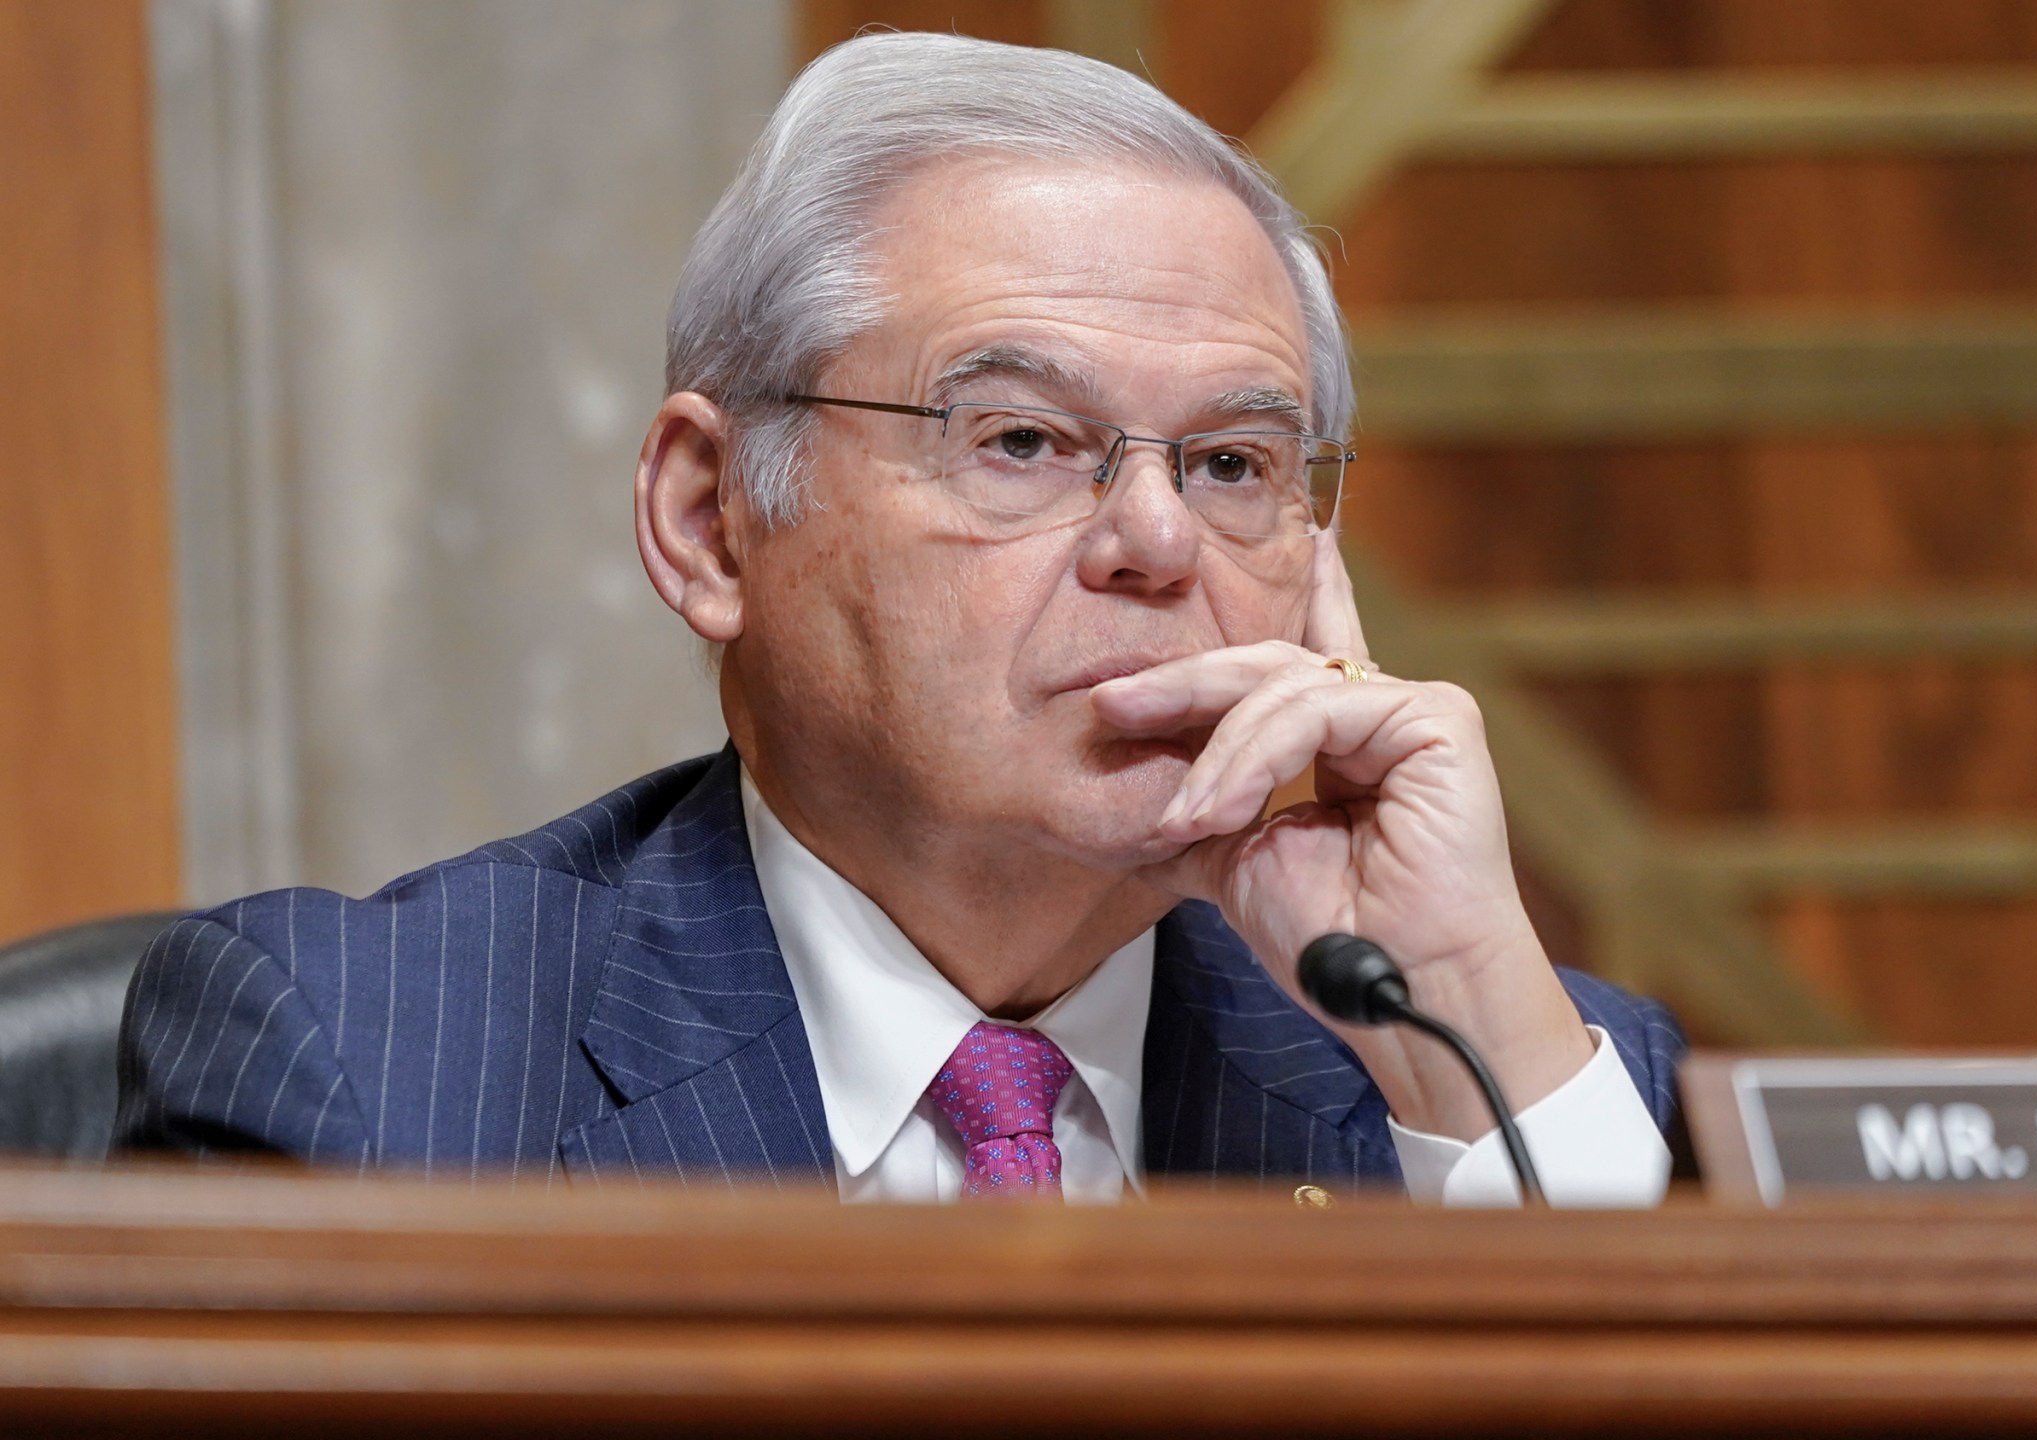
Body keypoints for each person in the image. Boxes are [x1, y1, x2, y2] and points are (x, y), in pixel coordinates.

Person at [116, 32, 1684, 1205]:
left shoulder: (1527, 1075)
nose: (1155, 538)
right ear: (707, 520)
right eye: (1021, 442)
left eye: (1230, 463)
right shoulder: (369, 1079)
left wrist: (1456, 1025)